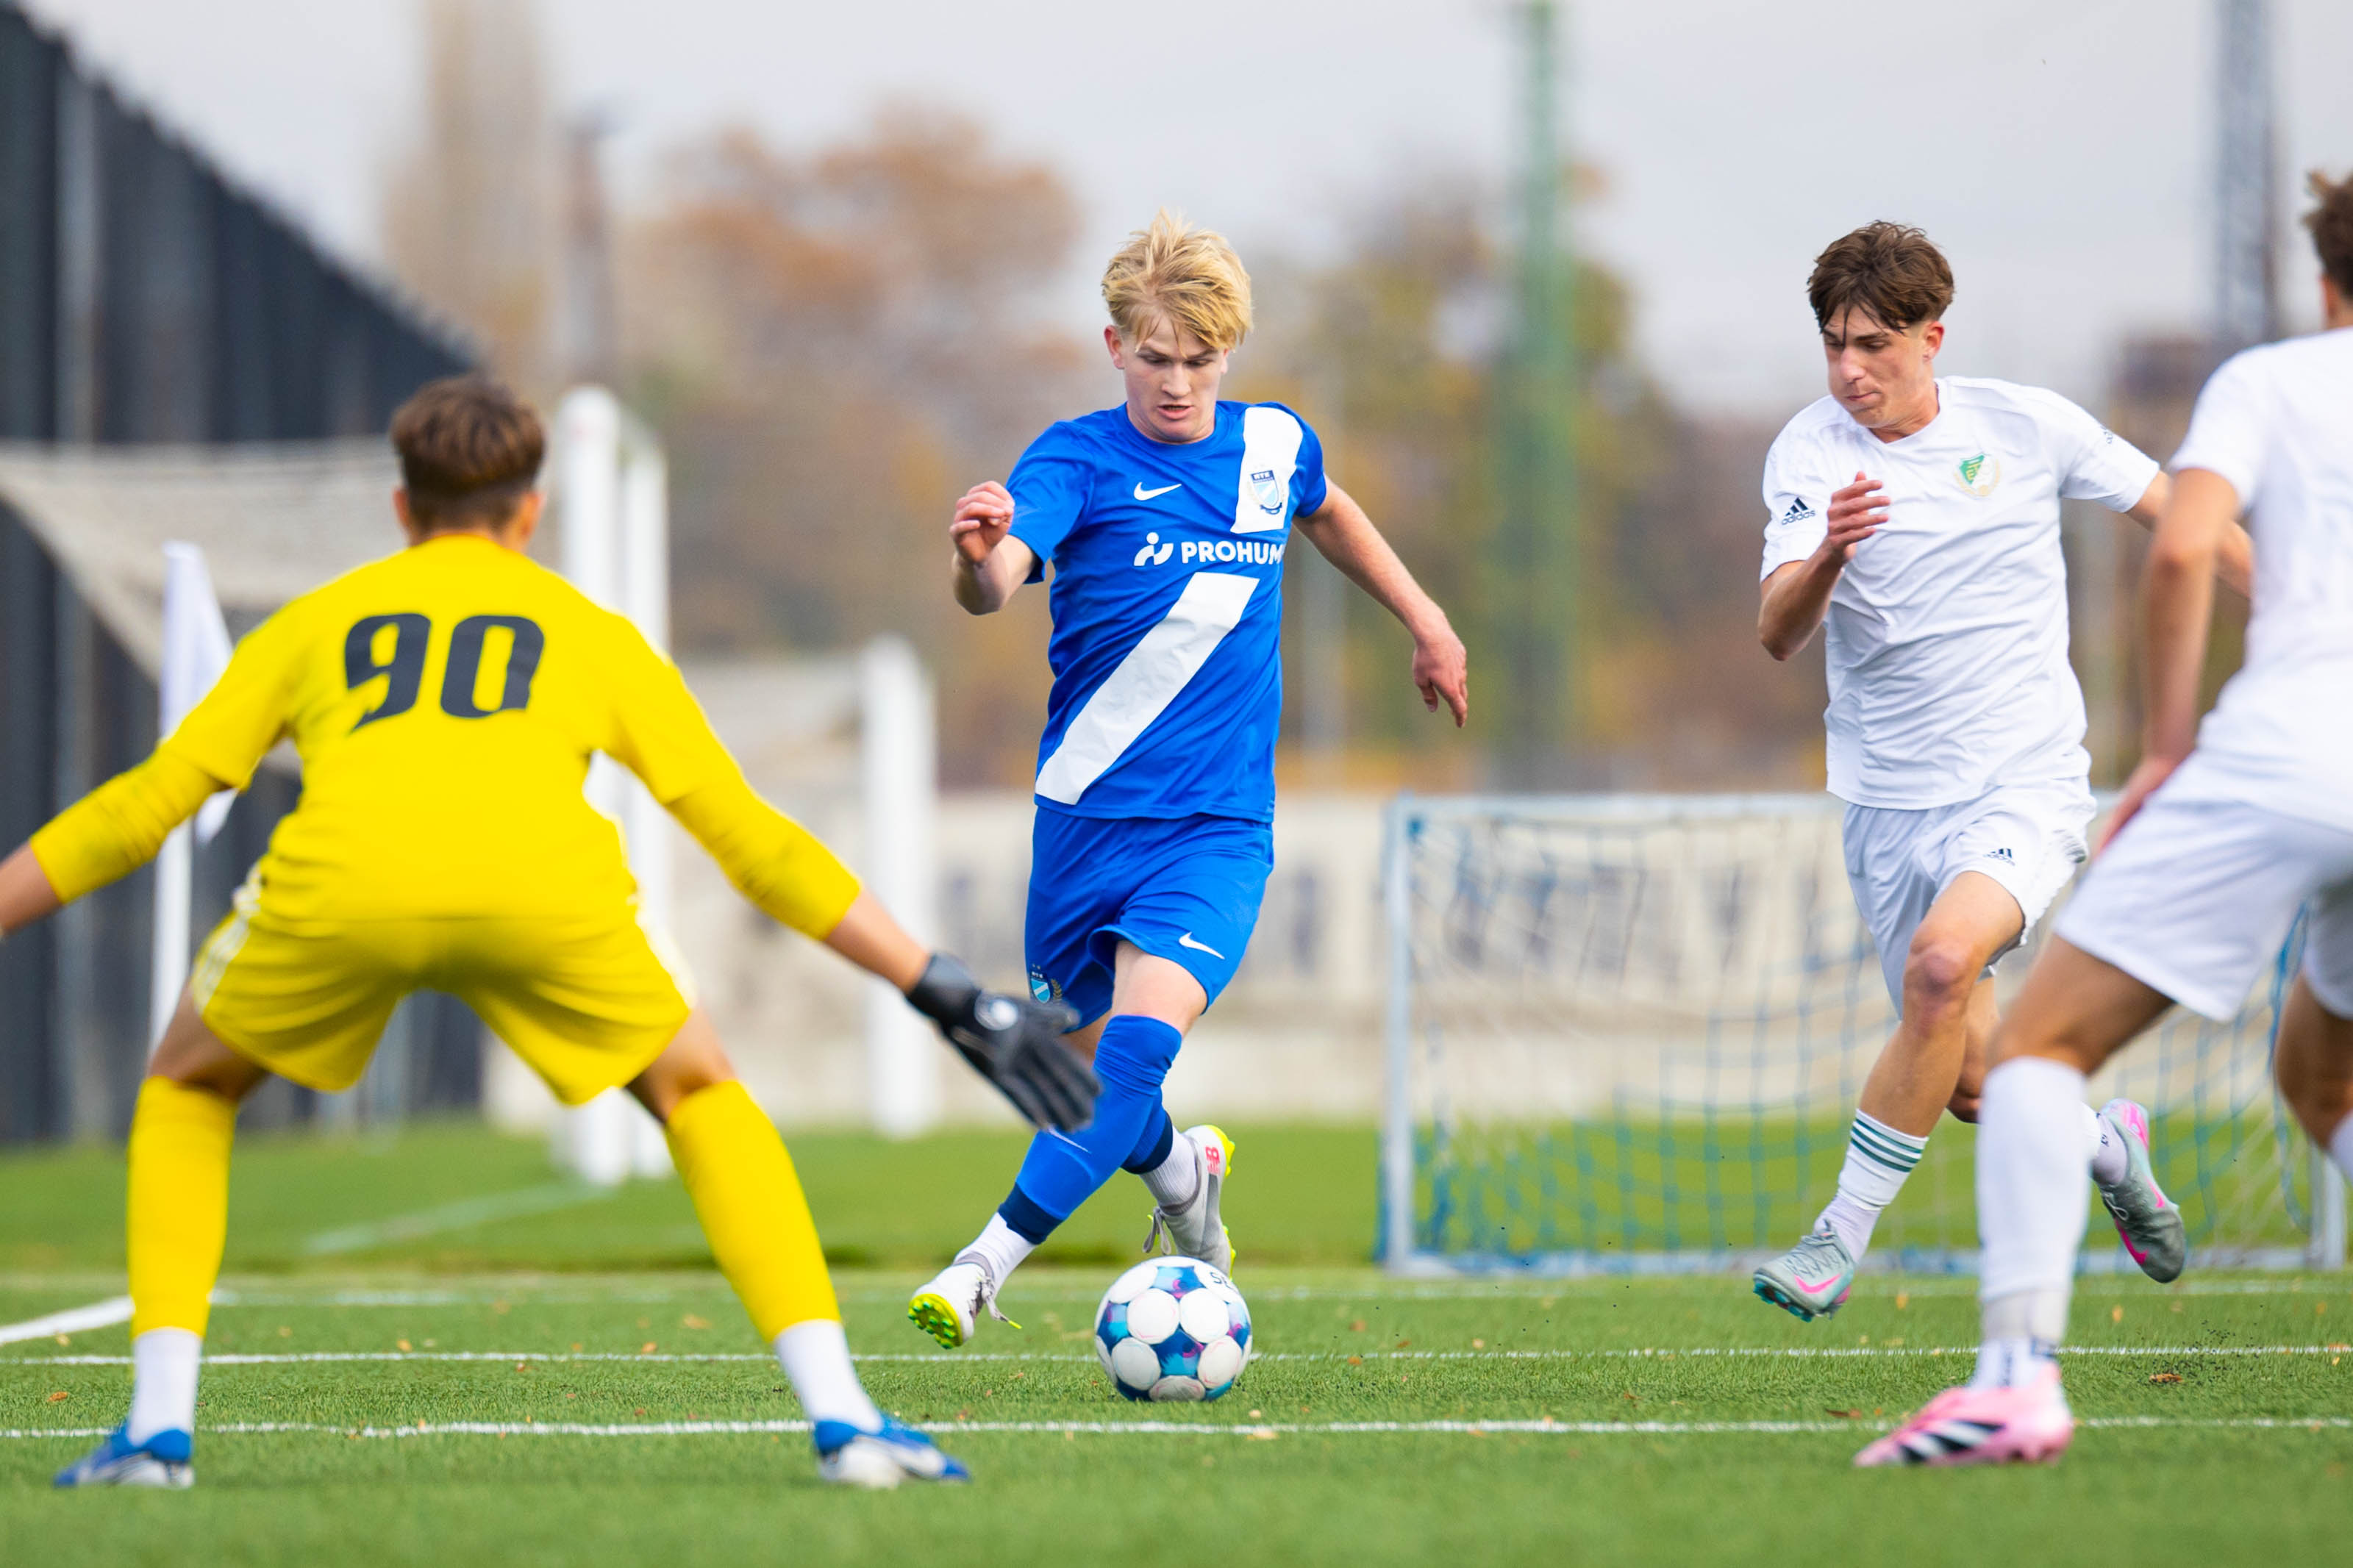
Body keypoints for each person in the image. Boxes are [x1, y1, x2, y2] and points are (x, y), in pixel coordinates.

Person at [15, 376, 1093, 1491]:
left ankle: (156, 1433)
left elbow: (143, 808)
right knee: (699, 1093)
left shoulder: (310, 625)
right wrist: (940, 986)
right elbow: (751, 842)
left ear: (402, 506)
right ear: (531, 511)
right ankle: (846, 1420)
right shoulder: (590, 634)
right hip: (541, 893)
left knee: (190, 1084)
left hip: (343, 889)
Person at [904, 211, 1469, 1347]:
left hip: (1213, 829)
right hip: (1081, 825)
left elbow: (1328, 510)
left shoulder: (1273, 447)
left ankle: (980, 1267)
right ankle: (1183, 1175)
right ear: (1115, 345)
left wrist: (1426, 619)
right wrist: (975, 559)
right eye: (1157, 357)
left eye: (1202, 360)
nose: (1178, 383)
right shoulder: (1073, 460)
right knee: (1087, 1091)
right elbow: (999, 579)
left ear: (1230, 351)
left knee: (1134, 1052)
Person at [1860, 171, 2353, 1467]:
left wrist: (2169, 745)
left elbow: (2182, 545)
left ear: (2325, 281)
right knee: (2322, 1071)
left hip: (2294, 756)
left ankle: (2016, 1379)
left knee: (2034, 1054)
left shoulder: (2272, 382)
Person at [1749, 221, 2254, 1321]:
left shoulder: (2028, 426)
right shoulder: (1809, 453)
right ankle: (2109, 1149)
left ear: (1932, 337)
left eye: (1874, 345)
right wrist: (1830, 550)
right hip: (1885, 800)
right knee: (1975, 1082)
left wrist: (2309, 620)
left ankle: (1836, 1238)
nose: (1850, 370)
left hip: (2022, 782)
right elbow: (1777, 633)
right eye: (1834, 345)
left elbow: (2188, 518)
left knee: (1940, 968)